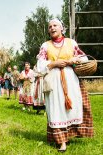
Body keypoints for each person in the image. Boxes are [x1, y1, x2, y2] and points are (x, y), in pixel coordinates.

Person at [36, 19, 93, 152]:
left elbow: (84, 58)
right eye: (50, 26)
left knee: (71, 107)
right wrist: (54, 64)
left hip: (70, 79)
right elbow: (40, 65)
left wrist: (73, 60)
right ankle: (61, 142)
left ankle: (70, 135)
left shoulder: (71, 43)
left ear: (62, 28)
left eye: (55, 25)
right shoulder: (45, 45)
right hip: (54, 80)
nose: (52, 28)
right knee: (56, 109)